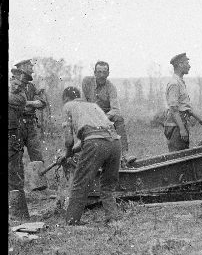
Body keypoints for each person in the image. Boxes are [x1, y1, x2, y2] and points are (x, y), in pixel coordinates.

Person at [60, 86, 122, 225]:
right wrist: (70, 152)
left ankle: (72, 220)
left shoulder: (68, 106)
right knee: (108, 185)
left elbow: (69, 140)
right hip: (115, 142)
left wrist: (68, 152)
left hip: (95, 143)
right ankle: (112, 218)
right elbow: (92, 136)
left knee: (80, 182)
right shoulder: (93, 105)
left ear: (65, 98)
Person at [82, 61, 136, 164]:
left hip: (106, 116)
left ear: (108, 74)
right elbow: (84, 103)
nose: (102, 75)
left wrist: (103, 118)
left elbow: (115, 109)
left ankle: (125, 154)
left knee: (119, 119)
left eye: (104, 72)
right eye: (99, 72)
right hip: (90, 114)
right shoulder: (86, 82)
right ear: (94, 72)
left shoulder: (111, 87)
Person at [164, 53, 202, 151]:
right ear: (180, 64)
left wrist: (201, 120)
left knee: (183, 157)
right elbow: (174, 108)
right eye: (187, 63)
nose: (189, 66)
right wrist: (182, 129)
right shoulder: (174, 84)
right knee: (177, 159)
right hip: (176, 127)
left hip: (180, 124)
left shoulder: (180, 82)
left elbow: (186, 107)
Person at [12, 59, 48, 171]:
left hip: (31, 124)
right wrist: (32, 104)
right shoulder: (12, 85)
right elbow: (19, 104)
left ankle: (39, 186)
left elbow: (42, 102)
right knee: (16, 157)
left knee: (37, 155)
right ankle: (17, 188)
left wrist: (28, 103)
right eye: (30, 66)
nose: (32, 69)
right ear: (22, 68)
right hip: (17, 124)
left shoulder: (31, 86)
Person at [8, 72, 32, 219]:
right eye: (15, 83)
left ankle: (20, 215)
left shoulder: (20, 98)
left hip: (12, 137)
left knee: (13, 173)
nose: (17, 87)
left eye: (20, 85)